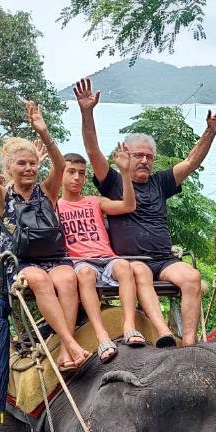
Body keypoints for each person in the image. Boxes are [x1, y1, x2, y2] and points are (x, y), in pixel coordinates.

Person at [80, 78, 216, 346]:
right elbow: (92, 150)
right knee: (141, 273)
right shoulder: (113, 181)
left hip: (164, 259)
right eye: (138, 155)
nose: (144, 161)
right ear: (125, 154)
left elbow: (190, 162)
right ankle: (163, 332)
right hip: (131, 261)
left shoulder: (160, 182)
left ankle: (189, 343)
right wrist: (87, 112)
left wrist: (210, 132)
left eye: (149, 157)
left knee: (192, 277)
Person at [0, 97, 91, 370]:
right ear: (9, 168)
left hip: (53, 258)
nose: (28, 169)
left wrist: (43, 131)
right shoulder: (2, 196)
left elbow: (60, 165)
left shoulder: (47, 191)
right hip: (20, 261)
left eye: (33, 164)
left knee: (67, 279)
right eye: (22, 164)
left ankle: (64, 350)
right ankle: (70, 344)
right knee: (40, 280)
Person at [57, 147, 140, 362]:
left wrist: (124, 172)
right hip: (81, 261)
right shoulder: (54, 206)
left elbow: (129, 205)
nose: (77, 177)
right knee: (85, 274)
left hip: (107, 257)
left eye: (82, 173)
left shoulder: (95, 201)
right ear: (60, 173)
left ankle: (129, 325)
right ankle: (101, 335)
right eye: (71, 172)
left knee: (124, 266)